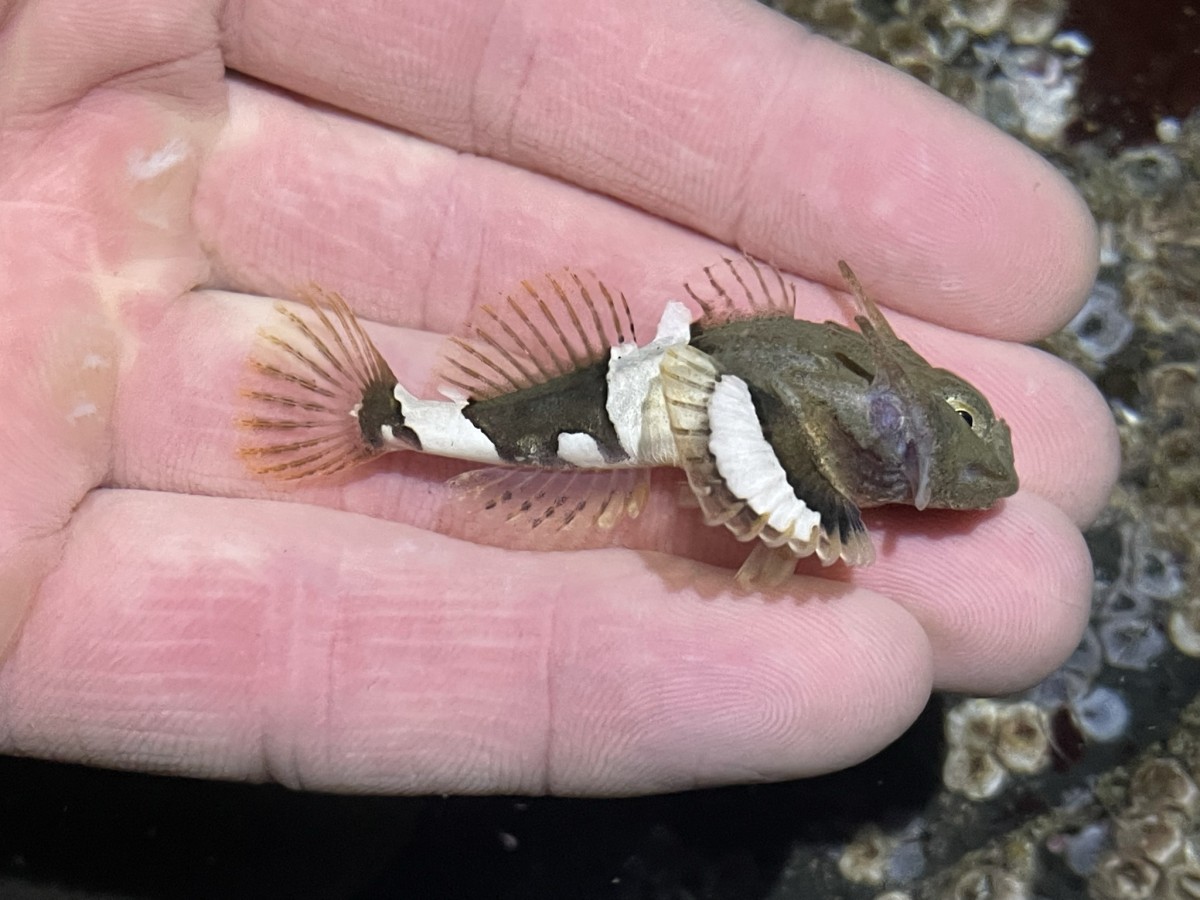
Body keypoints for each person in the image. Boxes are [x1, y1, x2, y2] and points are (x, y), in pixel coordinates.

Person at [0, 0, 1116, 796]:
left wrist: (807, 511)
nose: (974, 465)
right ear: (900, 407)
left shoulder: (851, 399)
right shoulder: (829, 413)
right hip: (634, 405)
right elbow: (739, 415)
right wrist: (811, 524)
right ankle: (382, 419)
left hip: (666, 397)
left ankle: (391, 419)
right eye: (966, 430)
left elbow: (741, 400)